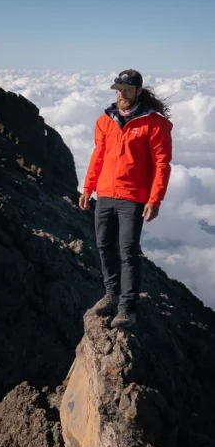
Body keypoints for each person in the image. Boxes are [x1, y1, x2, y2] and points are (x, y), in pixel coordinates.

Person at [79, 70, 173, 329]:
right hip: (105, 193)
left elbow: (162, 164)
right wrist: (88, 188)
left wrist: (155, 199)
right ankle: (112, 295)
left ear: (138, 91)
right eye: (118, 89)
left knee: (128, 252)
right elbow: (98, 155)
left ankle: (127, 309)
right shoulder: (105, 120)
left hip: (133, 197)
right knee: (103, 246)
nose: (121, 93)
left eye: (127, 89)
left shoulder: (154, 124)